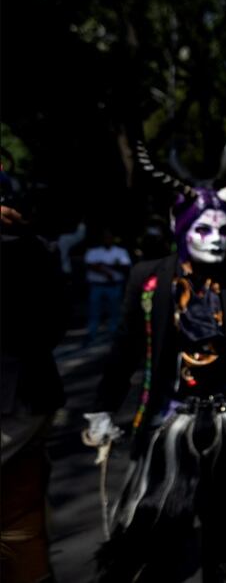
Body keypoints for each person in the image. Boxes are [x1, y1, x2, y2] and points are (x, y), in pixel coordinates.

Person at [82, 143, 226, 582]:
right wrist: (103, 408)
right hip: (169, 420)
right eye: (204, 229)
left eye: (224, 230)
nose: (216, 239)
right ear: (180, 228)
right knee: (152, 523)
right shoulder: (149, 278)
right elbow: (125, 348)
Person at [1, 197, 68, 583]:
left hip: (17, 401)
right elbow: (55, 324)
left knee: (21, 519)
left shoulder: (26, 248)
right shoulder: (36, 246)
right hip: (29, 397)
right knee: (21, 517)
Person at [84, 229, 132, 344]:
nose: (107, 240)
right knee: (94, 311)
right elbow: (89, 265)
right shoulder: (94, 251)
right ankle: (92, 333)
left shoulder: (120, 251)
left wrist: (102, 265)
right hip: (97, 285)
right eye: (105, 237)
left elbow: (125, 266)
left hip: (114, 285)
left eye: (109, 237)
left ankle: (113, 334)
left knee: (114, 311)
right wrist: (107, 270)